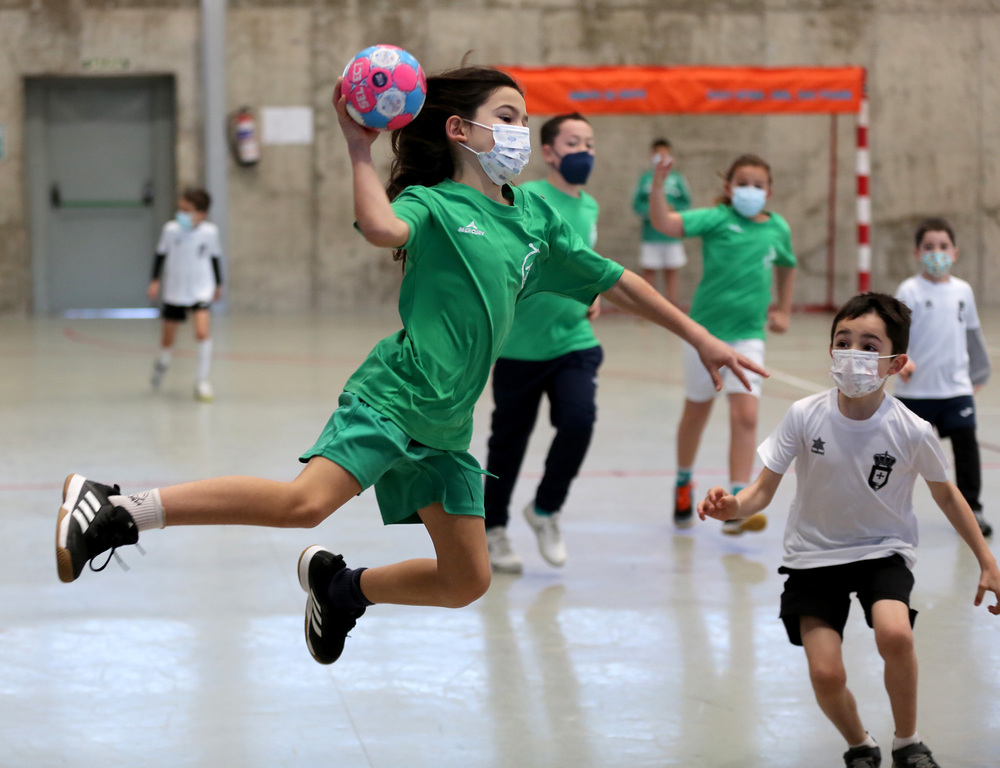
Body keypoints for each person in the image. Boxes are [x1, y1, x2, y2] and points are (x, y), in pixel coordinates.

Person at [54, 66, 767, 668]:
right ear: (460, 130)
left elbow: (615, 279)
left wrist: (699, 336)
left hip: (447, 423)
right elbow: (380, 227)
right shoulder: (434, 203)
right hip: (395, 395)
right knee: (303, 503)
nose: (520, 131)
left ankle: (341, 591)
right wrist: (359, 150)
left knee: (466, 580)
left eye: (525, 118)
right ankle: (116, 509)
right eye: (508, 116)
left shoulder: (534, 220)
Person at [697, 292, 1000, 768]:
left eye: (868, 345)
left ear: (895, 362)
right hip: (814, 556)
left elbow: (947, 495)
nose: (853, 354)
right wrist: (731, 507)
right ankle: (860, 744)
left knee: (895, 634)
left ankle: (908, 742)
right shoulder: (804, 415)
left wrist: (987, 560)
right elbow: (760, 493)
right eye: (844, 341)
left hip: (883, 548)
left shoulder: (911, 430)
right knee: (824, 672)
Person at [648, 153, 796, 533]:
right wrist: (659, 185)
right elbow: (663, 222)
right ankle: (683, 482)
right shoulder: (716, 219)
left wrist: (783, 309)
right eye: (742, 183)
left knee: (745, 415)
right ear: (729, 188)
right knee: (696, 412)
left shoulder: (778, 227)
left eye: (758, 184)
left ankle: (737, 501)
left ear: (770, 191)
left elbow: (787, 264)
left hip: (749, 336)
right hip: (704, 336)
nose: (750, 190)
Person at [483, 111, 602, 574]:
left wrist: (590, 292)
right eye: (575, 143)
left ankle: (546, 509)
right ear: (549, 152)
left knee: (579, 421)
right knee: (507, 443)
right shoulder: (527, 197)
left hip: (573, 340)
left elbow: (584, 262)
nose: (585, 152)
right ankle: (493, 528)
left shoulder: (589, 206)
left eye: (590, 143)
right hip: (518, 348)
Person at [894, 217, 992, 538]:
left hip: (955, 391)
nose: (937, 253)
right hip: (915, 394)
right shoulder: (909, 289)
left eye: (943, 246)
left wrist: (979, 372)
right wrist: (899, 360)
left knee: (966, 451)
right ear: (917, 253)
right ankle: (888, 510)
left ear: (955, 252)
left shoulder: (963, 290)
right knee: (899, 457)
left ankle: (972, 511)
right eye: (929, 247)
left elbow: (972, 333)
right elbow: (895, 333)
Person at [148, 186, 224, 402]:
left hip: (201, 288)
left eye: (187, 210)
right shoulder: (171, 230)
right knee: (168, 337)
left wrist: (218, 284)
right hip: (175, 289)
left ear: (202, 213)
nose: (182, 214)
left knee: (201, 332)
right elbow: (160, 255)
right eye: (180, 209)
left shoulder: (210, 232)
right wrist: (154, 280)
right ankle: (162, 362)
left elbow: (215, 258)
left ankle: (202, 381)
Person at [631, 138, 692, 304]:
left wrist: (673, 211)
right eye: (658, 153)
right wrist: (653, 211)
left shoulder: (678, 178)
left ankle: (672, 306)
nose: (661, 156)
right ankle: (646, 307)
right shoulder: (645, 179)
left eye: (665, 153)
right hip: (651, 235)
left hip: (671, 236)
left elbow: (686, 203)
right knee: (649, 271)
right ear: (652, 154)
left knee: (671, 271)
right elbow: (636, 204)